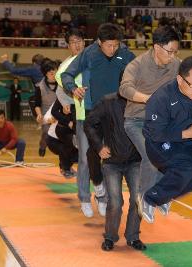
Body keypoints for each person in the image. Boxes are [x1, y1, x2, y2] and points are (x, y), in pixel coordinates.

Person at [119, 25, 192, 201]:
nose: (173, 56)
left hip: (166, 122)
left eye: (176, 52)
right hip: (137, 120)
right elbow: (125, 89)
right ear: (157, 47)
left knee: (176, 159)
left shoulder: (174, 64)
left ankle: (161, 195)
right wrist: (148, 99)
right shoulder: (137, 65)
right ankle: (143, 199)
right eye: (170, 52)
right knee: (152, 157)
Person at [61, 23, 135, 217]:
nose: (112, 49)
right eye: (108, 45)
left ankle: (103, 198)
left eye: (116, 45)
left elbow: (139, 74)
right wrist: (72, 88)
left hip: (116, 116)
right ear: (99, 42)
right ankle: (85, 198)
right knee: (87, 158)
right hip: (90, 112)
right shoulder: (89, 54)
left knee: (110, 158)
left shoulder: (126, 54)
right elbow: (67, 74)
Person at [139, 56, 192, 223]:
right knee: (187, 167)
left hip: (185, 142)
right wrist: (186, 133)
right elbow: (154, 133)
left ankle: (166, 196)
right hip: (158, 144)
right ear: (179, 79)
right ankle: (149, 199)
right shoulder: (161, 98)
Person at [84, 93, 145, 251]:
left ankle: (133, 237)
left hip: (136, 161)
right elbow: (89, 124)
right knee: (115, 202)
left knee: (138, 200)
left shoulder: (144, 103)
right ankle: (110, 236)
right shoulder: (107, 102)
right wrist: (98, 146)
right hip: (112, 162)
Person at [43, 101, 78, 178]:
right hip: (53, 140)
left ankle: (66, 165)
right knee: (66, 148)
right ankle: (65, 168)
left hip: (66, 139)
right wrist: (50, 119)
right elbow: (45, 118)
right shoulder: (58, 104)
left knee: (75, 149)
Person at [34, 59, 59, 158]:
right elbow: (37, 104)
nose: (53, 74)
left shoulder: (62, 84)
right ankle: (42, 146)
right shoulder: (39, 87)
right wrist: (39, 114)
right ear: (46, 74)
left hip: (60, 113)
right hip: (46, 115)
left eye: (54, 71)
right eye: (50, 72)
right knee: (46, 133)